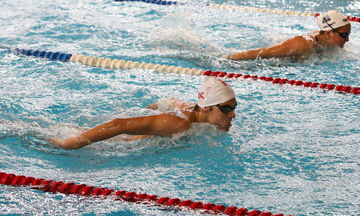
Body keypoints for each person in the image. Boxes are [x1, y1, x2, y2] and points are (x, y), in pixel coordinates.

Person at [49, 77, 237, 150]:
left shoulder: (191, 108)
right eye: (227, 109)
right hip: (114, 143)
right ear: (207, 107)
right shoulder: (179, 123)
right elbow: (119, 125)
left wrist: (150, 108)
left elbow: (169, 100)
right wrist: (71, 143)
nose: (233, 115)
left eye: (234, 107)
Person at [227, 10, 351, 61]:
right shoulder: (301, 44)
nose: (347, 39)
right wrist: (231, 59)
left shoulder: (328, 43)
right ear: (329, 33)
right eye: (344, 35)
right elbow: (265, 53)